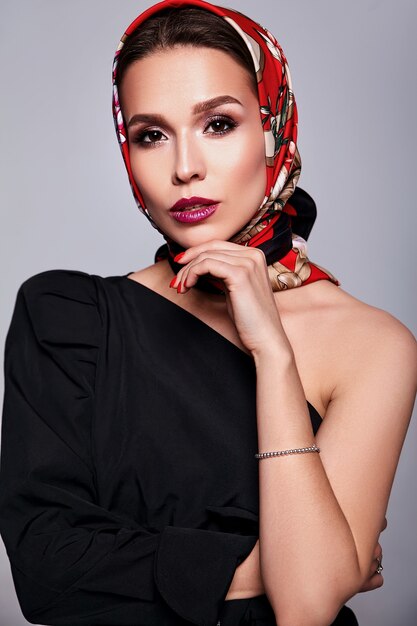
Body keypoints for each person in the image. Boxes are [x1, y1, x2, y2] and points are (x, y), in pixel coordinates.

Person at [0, 0, 415, 625]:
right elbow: (44, 568)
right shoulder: (69, 319)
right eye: (151, 135)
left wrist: (273, 355)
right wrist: (272, 565)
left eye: (217, 125)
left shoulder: (372, 343)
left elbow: (306, 608)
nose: (184, 167)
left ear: (273, 128)